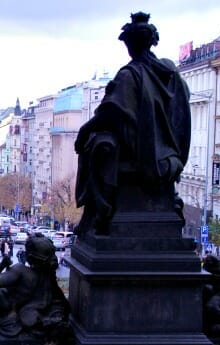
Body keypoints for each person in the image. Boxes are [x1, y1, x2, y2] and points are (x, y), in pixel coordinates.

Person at [74, 12, 190, 237]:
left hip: (142, 150)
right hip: (168, 150)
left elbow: (111, 114)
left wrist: (84, 130)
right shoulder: (168, 71)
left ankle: (101, 213)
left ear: (129, 45)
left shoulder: (130, 74)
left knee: (96, 145)